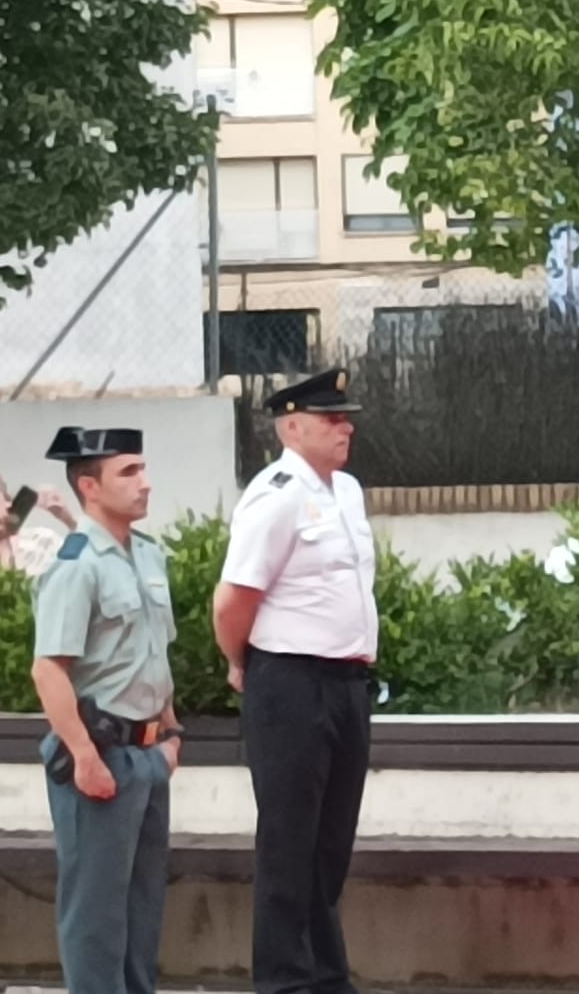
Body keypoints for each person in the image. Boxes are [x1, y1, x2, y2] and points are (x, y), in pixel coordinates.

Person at [212, 368, 376, 994]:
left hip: (346, 685)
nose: (346, 427)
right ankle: (283, 982)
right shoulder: (275, 494)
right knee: (288, 847)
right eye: (332, 419)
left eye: (345, 417)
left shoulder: (349, 492)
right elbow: (233, 599)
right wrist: (241, 662)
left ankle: (326, 978)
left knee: (329, 847)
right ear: (292, 426)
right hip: (290, 683)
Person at [31, 427, 181, 994]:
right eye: (129, 472)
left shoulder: (146, 554)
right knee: (95, 917)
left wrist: (171, 735)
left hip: (146, 757)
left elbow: (152, 651)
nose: (145, 483)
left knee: (142, 911)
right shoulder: (76, 564)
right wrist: (84, 756)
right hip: (99, 758)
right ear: (89, 487)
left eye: (143, 469)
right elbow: (49, 670)